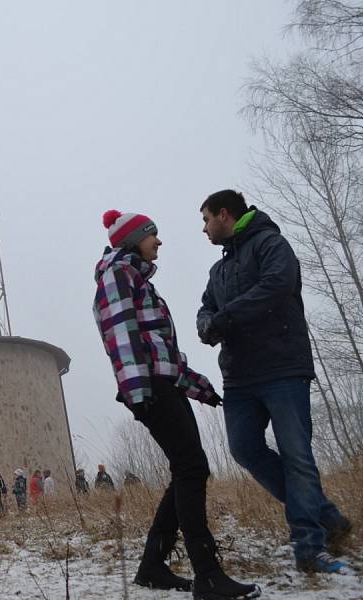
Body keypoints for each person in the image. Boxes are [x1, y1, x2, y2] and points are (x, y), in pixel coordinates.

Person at [94, 209, 260, 598]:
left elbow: (161, 352)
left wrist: (200, 388)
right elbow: (122, 336)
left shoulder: (137, 279)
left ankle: (153, 566)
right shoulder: (117, 274)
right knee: (191, 468)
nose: (160, 241)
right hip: (150, 389)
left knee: (187, 469)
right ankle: (208, 575)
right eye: (153, 235)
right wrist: (139, 394)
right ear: (133, 239)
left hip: (158, 385)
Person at [197, 190, 352, 575]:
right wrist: (206, 322)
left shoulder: (270, 244)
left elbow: (277, 285)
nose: (203, 229)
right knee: (244, 449)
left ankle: (309, 547)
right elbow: (206, 306)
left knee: (297, 455)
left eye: (206, 220)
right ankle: (326, 515)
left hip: (282, 368)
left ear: (224, 213)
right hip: (239, 376)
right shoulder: (219, 270)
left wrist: (225, 318)